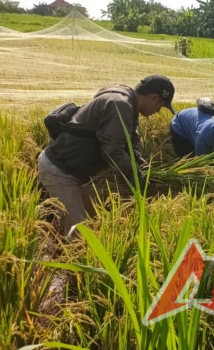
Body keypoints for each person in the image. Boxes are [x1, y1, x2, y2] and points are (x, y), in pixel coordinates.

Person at [37, 74, 176, 237]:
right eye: (161, 105)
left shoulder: (126, 99)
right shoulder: (120, 105)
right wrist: (140, 182)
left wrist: (146, 170)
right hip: (60, 171)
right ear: (154, 97)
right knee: (80, 235)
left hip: (75, 169)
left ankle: (58, 232)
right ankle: (65, 251)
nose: (158, 111)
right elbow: (113, 152)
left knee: (92, 219)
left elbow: (131, 145)